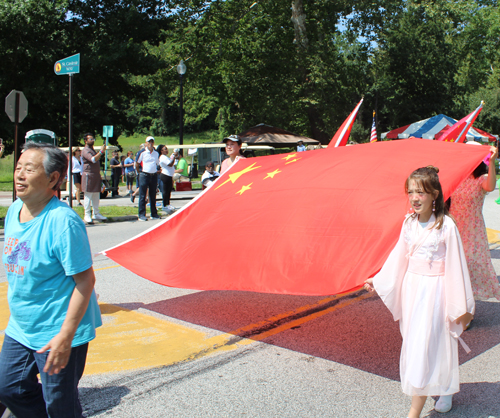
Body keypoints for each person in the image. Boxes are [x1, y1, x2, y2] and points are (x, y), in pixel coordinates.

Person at [0, 142, 102, 418]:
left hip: (58, 329)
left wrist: (66, 336)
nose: (19, 175)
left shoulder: (63, 222)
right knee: (9, 388)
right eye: (18, 167)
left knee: (59, 403)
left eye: (29, 169)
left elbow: (85, 282)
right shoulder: (13, 211)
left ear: (53, 178)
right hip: (21, 326)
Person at [364, 166, 474, 418]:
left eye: (421, 192)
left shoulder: (446, 226)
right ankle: (444, 387)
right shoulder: (408, 223)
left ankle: (416, 410)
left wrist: (460, 304)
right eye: (410, 191)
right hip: (413, 289)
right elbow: (398, 257)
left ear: (435, 194)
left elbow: (456, 266)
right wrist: (379, 279)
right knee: (417, 341)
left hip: (437, 291)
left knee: (428, 342)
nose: (414, 197)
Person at [449, 143, 500, 301]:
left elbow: (490, 187)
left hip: (473, 230)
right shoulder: (454, 176)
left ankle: (467, 307)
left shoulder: (481, 179)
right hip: (453, 227)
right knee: (452, 266)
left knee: (469, 266)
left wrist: (492, 161)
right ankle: (454, 305)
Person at [81, 133, 107, 224]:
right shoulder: (85, 150)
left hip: (95, 175)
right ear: (86, 141)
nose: (92, 140)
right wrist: (101, 152)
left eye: (93, 139)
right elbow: (93, 159)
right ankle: (87, 214)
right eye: (90, 139)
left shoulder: (91, 149)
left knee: (96, 194)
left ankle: (96, 213)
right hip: (88, 175)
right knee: (88, 195)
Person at [136, 136, 160, 221]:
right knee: (143, 195)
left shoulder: (156, 153)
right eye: (149, 142)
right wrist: (139, 172)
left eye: (152, 142)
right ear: (146, 143)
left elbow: (157, 163)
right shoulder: (142, 152)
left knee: (152, 195)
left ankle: (154, 213)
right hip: (144, 174)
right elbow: (137, 163)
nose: (150, 143)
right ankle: (141, 214)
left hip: (153, 175)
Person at [157, 144, 176, 214]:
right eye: (165, 149)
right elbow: (170, 164)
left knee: (169, 190)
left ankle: (168, 203)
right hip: (165, 175)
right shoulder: (162, 157)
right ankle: (164, 204)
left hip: (169, 175)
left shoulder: (165, 157)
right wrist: (173, 156)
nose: (166, 150)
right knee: (165, 191)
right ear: (161, 151)